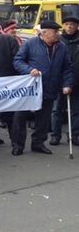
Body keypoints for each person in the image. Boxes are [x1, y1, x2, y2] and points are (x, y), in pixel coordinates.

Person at [10, 21, 73, 156]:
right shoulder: (30, 44)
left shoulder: (61, 47)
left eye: (57, 32)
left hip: (50, 86)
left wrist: (67, 84)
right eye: (54, 32)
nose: (58, 34)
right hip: (29, 88)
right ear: (44, 33)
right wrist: (29, 69)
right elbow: (17, 61)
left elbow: (67, 68)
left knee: (43, 118)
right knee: (20, 116)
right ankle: (18, 145)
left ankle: (38, 143)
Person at [51, 16, 79, 145]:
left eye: (72, 24)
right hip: (58, 81)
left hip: (76, 80)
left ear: (76, 26)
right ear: (63, 26)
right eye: (67, 24)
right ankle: (55, 135)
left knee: (76, 110)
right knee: (56, 110)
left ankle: (74, 135)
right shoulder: (57, 41)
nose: (69, 27)